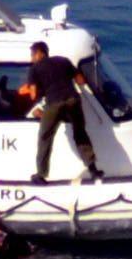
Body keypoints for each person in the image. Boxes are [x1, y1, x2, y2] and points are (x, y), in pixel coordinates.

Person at [16, 40, 97, 182]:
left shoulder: (35, 69)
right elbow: (80, 80)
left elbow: (34, 94)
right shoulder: (63, 60)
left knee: (45, 137)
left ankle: (40, 175)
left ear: (40, 53)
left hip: (54, 103)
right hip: (73, 100)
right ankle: (93, 169)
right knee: (80, 133)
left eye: (32, 55)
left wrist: (28, 89)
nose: (31, 59)